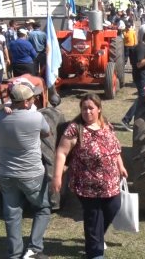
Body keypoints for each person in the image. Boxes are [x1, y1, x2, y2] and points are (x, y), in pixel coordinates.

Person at [52, 93, 128, 259]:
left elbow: (114, 149)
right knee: (93, 216)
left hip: (110, 181)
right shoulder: (75, 128)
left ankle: (96, 238)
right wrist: (57, 176)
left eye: (91, 108)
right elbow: (61, 152)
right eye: (84, 108)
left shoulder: (106, 125)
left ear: (99, 109)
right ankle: (95, 253)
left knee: (113, 207)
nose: (87, 112)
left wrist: (121, 166)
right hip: (86, 183)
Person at [0, 79, 51, 259]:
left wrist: (5, 107)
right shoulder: (35, 117)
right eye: (32, 98)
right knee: (43, 208)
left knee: (12, 214)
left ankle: (15, 253)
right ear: (25, 102)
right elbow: (47, 132)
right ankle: (34, 248)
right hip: (31, 173)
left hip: (6, 173)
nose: (34, 100)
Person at [121, 30, 145, 131]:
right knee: (142, 97)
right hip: (141, 77)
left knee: (144, 98)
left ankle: (140, 118)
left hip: (144, 76)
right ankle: (126, 119)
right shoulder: (140, 48)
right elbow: (139, 64)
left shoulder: (143, 47)